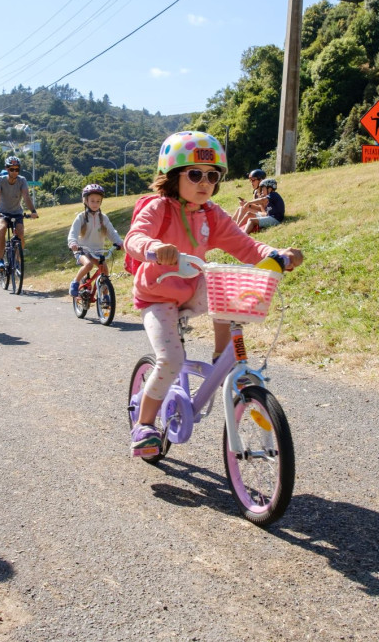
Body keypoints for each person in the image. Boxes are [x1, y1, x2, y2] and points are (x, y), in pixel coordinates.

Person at [123, 131, 303, 456]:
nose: (204, 182)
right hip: (157, 296)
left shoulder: (211, 213)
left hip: (191, 286)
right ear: (174, 176)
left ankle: (224, 358)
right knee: (171, 359)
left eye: (212, 176)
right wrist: (154, 248)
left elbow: (246, 246)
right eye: (195, 174)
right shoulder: (157, 208)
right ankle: (145, 425)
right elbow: (135, 237)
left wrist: (278, 255)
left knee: (229, 284)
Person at [67, 183, 124, 295]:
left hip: (97, 251)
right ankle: (75, 282)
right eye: (92, 201)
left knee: (105, 269)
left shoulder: (103, 218)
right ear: (86, 201)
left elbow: (112, 232)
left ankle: (105, 295)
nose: (95, 204)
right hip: (82, 250)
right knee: (88, 265)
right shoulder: (81, 217)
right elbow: (72, 233)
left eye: (98, 201)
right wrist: (73, 243)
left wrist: (119, 242)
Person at [0, 156, 38, 271]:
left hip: (16, 212)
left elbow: (26, 196)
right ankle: (0, 260)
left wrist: (33, 211)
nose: (14, 172)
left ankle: (17, 259)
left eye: (17, 169)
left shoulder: (22, 180)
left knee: (20, 233)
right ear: (7, 169)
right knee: (2, 228)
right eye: (12, 169)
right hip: (1, 213)